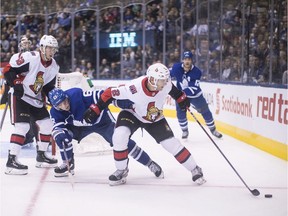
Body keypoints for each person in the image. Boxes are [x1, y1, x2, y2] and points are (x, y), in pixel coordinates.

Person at [83, 62, 206, 186]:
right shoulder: (133, 88)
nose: (165, 82)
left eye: (165, 79)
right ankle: (121, 170)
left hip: (154, 118)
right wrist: (97, 108)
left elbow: (176, 93)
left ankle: (195, 168)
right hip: (132, 114)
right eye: (161, 80)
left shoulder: (166, 85)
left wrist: (182, 99)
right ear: (152, 79)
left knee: (171, 144)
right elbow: (109, 93)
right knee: (119, 136)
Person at [48, 88, 163, 179]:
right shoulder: (55, 112)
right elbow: (57, 127)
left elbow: (104, 95)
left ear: (67, 97)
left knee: (122, 141)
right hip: (80, 127)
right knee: (63, 137)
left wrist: (125, 103)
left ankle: (149, 163)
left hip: (102, 122)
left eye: (65, 101)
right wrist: (59, 134)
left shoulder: (77, 95)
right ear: (55, 106)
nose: (64, 105)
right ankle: (68, 163)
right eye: (60, 105)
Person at [3, 35, 59, 175]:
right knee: (22, 126)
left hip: (35, 98)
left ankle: (41, 155)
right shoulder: (31, 57)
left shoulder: (54, 66)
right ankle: (11, 161)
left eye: (54, 49)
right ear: (42, 47)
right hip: (20, 96)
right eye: (49, 48)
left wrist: (53, 97)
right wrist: (16, 84)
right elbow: (8, 70)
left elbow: (48, 86)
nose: (52, 51)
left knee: (47, 124)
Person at [170, 51, 223, 139]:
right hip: (180, 95)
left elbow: (193, 88)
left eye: (189, 59)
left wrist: (181, 94)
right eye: (185, 59)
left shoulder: (197, 72)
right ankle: (185, 131)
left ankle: (213, 129)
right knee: (180, 112)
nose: (187, 61)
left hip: (195, 96)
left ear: (192, 61)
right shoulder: (176, 67)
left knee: (205, 110)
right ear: (183, 60)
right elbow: (168, 74)